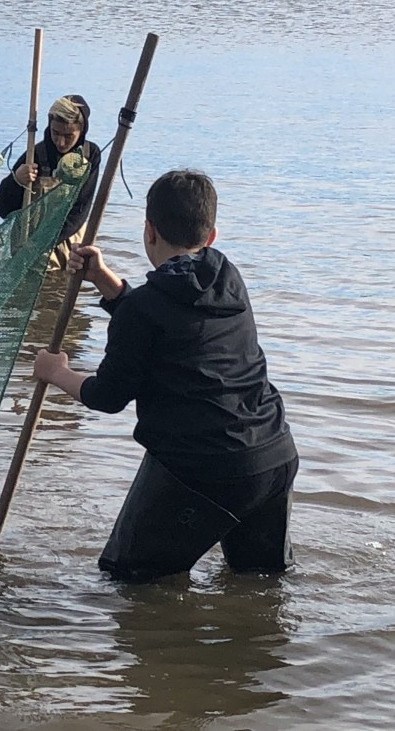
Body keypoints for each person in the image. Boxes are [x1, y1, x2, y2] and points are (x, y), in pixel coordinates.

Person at [32, 169, 299, 583]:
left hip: (200, 468)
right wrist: (108, 283)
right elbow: (168, 318)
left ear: (149, 231)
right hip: (272, 455)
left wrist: (57, 372)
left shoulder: (144, 310)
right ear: (211, 237)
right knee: (259, 583)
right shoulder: (227, 276)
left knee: (128, 580)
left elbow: (107, 395)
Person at [0, 95, 101, 270]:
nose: (61, 142)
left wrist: (45, 242)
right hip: (26, 247)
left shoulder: (90, 155)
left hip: (68, 246)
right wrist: (15, 181)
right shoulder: (34, 154)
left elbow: (81, 209)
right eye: (55, 133)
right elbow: (3, 208)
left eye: (68, 135)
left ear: (81, 131)